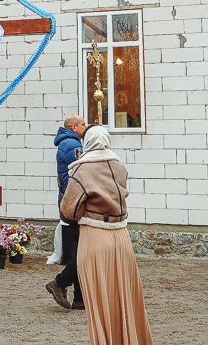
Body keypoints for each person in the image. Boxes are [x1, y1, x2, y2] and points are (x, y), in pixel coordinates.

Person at [59, 126, 153, 345]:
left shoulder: (81, 169)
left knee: (100, 300)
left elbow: (68, 210)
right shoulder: (120, 166)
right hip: (121, 236)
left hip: (95, 235)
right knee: (124, 297)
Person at [47, 113, 87, 309]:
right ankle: (61, 282)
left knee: (79, 251)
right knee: (82, 253)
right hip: (75, 205)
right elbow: (82, 173)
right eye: (82, 124)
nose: (85, 127)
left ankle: (80, 299)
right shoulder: (72, 146)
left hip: (71, 204)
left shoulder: (69, 143)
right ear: (73, 127)